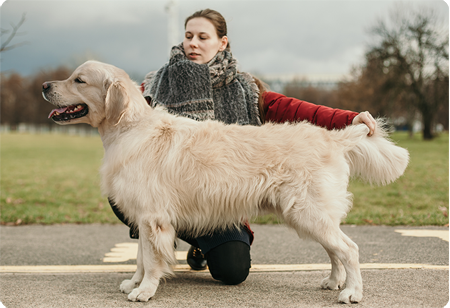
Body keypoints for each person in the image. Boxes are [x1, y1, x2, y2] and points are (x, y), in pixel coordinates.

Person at [109, 8, 377, 286]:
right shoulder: (156, 83)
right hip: (173, 195)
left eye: (203, 36)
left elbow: (292, 109)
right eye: (189, 36)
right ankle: (164, 237)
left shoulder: (245, 87)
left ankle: (199, 243)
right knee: (130, 195)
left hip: (225, 200)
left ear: (221, 42)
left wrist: (348, 119)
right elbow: (128, 113)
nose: (193, 43)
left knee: (232, 270)